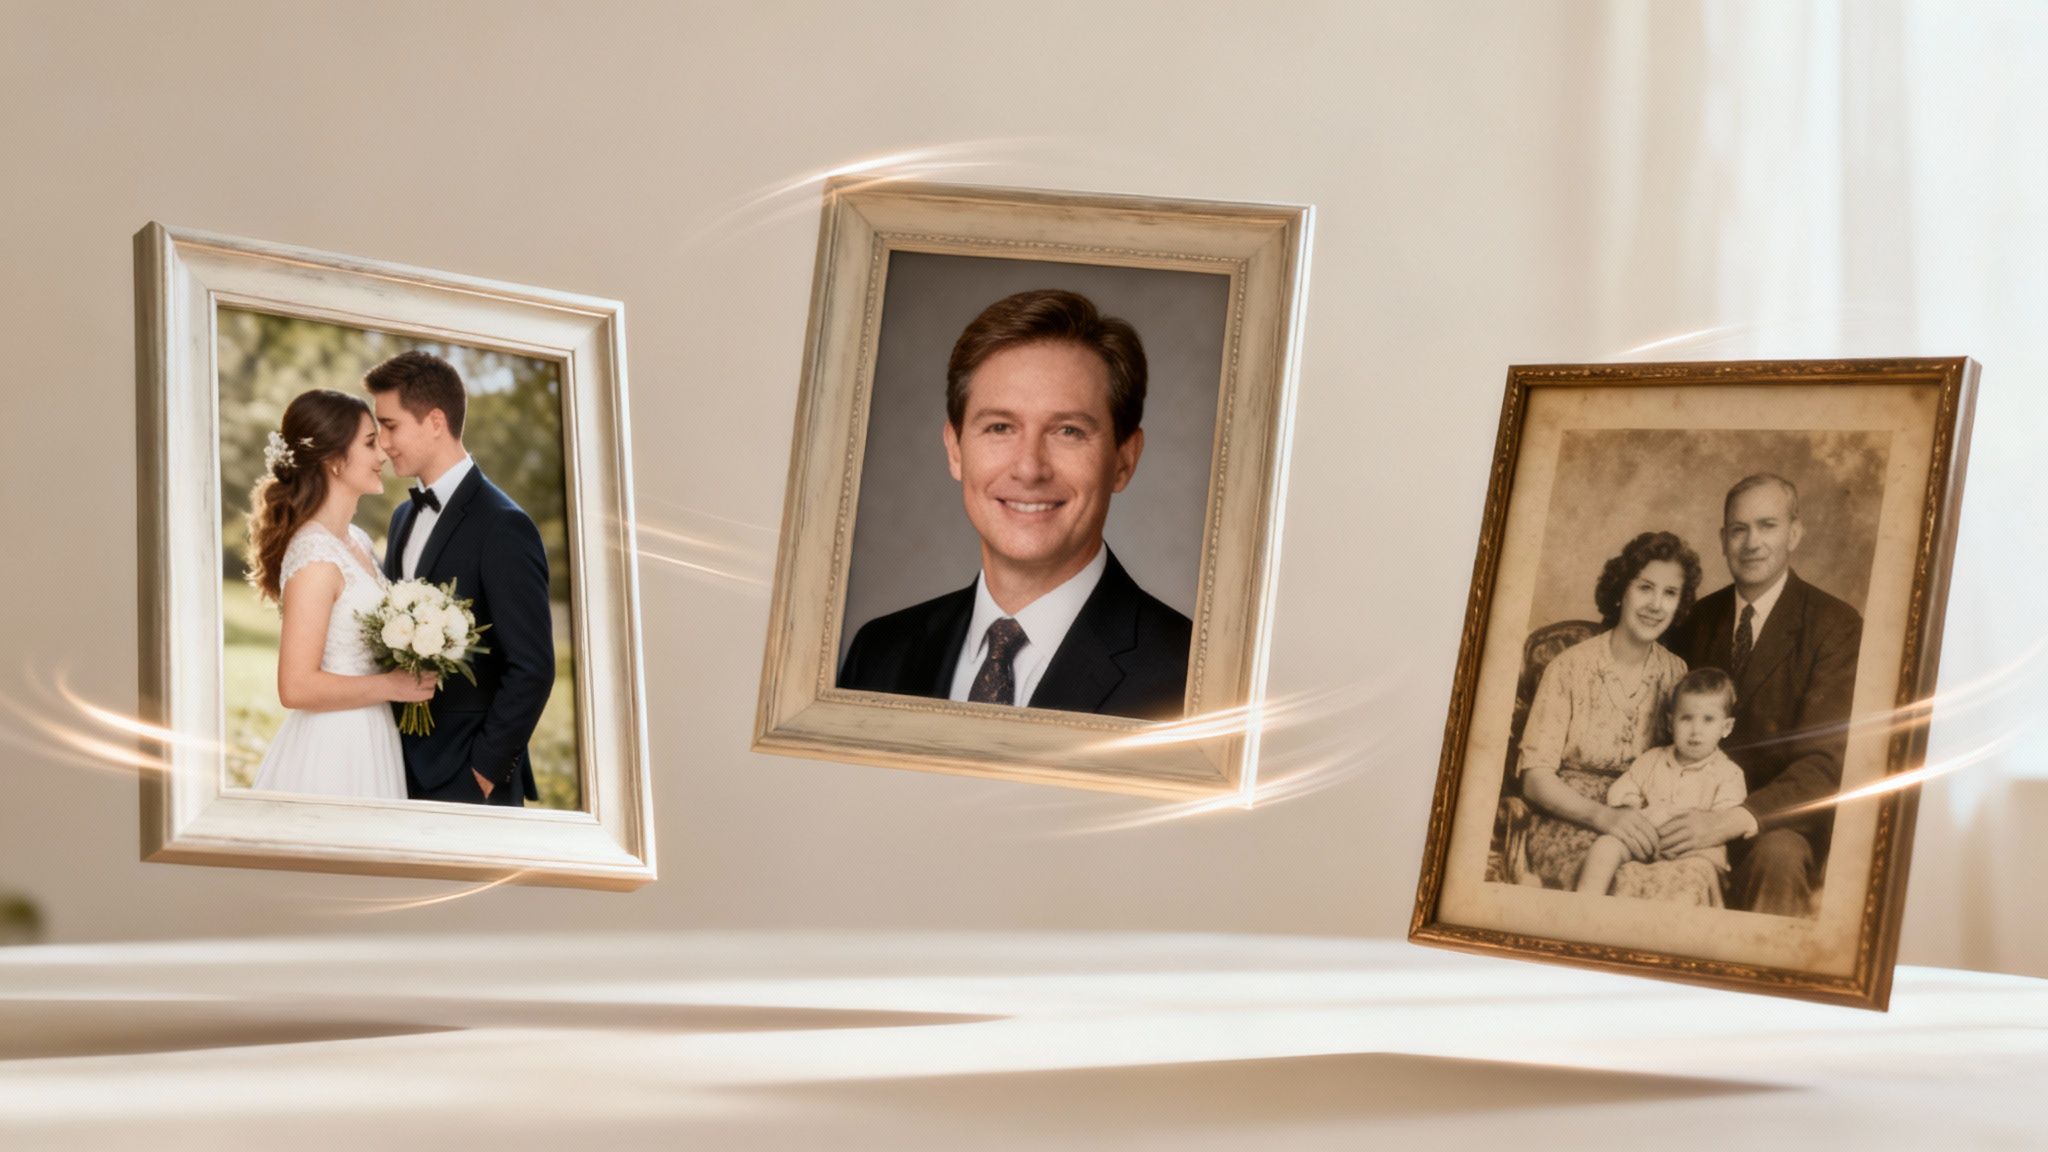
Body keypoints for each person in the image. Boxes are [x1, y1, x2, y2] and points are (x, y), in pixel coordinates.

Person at [837, 289, 1191, 720]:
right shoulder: (878, 654)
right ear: (955, 449)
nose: (1029, 469)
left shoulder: (1192, 678)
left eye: (1069, 431)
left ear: (1124, 460)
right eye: (1000, 427)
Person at [1667, 473, 1862, 917]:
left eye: (1767, 526)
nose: (1752, 542)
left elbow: (1826, 763)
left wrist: (1731, 819)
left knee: (1779, 858)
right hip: (1688, 807)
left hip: (1775, 821)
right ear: (1722, 539)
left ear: (1794, 533)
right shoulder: (1696, 618)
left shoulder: (1836, 625)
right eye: (1739, 529)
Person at [368, 351, 555, 806]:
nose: (383, 444)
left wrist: (484, 771)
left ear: (435, 420)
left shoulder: (504, 525)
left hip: (467, 779)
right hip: (396, 767)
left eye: (390, 426)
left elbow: (532, 667)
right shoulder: (401, 518)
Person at [246, 389, 436, 799]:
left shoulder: (357, 541)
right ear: (334, 460)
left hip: (372, 735)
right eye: (369, 443)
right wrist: (392, 685)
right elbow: (295, 687)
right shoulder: (315, 557)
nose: (382, 453)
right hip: (333, 746)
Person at [1516, 531, 1701, 893]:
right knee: (1625, 884)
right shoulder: (1569, 667)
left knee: (1689, 880)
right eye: (1645, 588)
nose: (1656, 605)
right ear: (1621, 591)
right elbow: (1534, 779)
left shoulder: (1677, 672)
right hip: (1569, 818)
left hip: (1643, 819)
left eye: (1670, 593)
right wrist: (1604, 816)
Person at [1576, 667, 1749, 905]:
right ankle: (1582, 907)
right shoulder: (1653, 759)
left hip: (1695, 851)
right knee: (1606, 846)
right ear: (1670, 723)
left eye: (1708, 720)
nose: (1696, 731)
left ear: (1726, 727)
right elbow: (1622, 789)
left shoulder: (1728, 774)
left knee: (1694, 874)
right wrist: (1631, 807)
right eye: (1686, 718)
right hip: (1647, 841)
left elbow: (1725, 820)